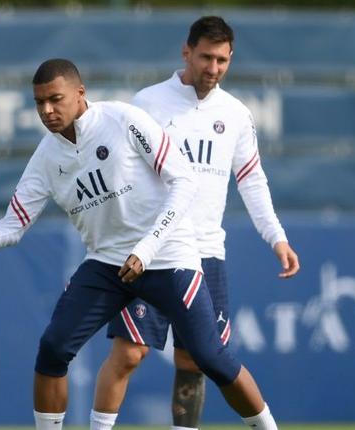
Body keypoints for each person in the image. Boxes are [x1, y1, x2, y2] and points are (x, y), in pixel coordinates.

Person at [0, 58, 280, 430]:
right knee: (53, 348)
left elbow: (184, 183)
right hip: (108, 264)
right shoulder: (46, 157)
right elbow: (11, 227)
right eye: (39, 103)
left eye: (55, 99)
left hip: (168, 255)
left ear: (80, 93)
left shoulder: (123, 119)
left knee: (211, 358)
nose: (47, 110)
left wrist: (146, 249)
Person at [92, 16, 300, 430]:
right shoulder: (147, 104)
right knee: (130, 352)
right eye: (206, 57)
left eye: (222, 60)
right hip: (152, 251)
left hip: (206, 252)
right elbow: (118, 176)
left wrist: (276, 236)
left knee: (197, 359)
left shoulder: (236, 114)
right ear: (186, 52)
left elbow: (252, 179)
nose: (213, 68)